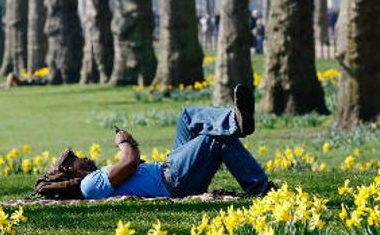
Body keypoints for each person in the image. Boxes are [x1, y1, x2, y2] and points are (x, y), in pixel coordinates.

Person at [36, 85, 275, 200]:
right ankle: (261, 189)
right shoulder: (88, 185)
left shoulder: (94, 179)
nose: (84, 157)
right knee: (214, 139)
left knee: (187, 117)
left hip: (170, 170)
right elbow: (130, 162)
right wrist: (124, 141)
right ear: (69, 170)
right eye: (76, 158)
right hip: (173, 181)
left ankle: (236, 120)